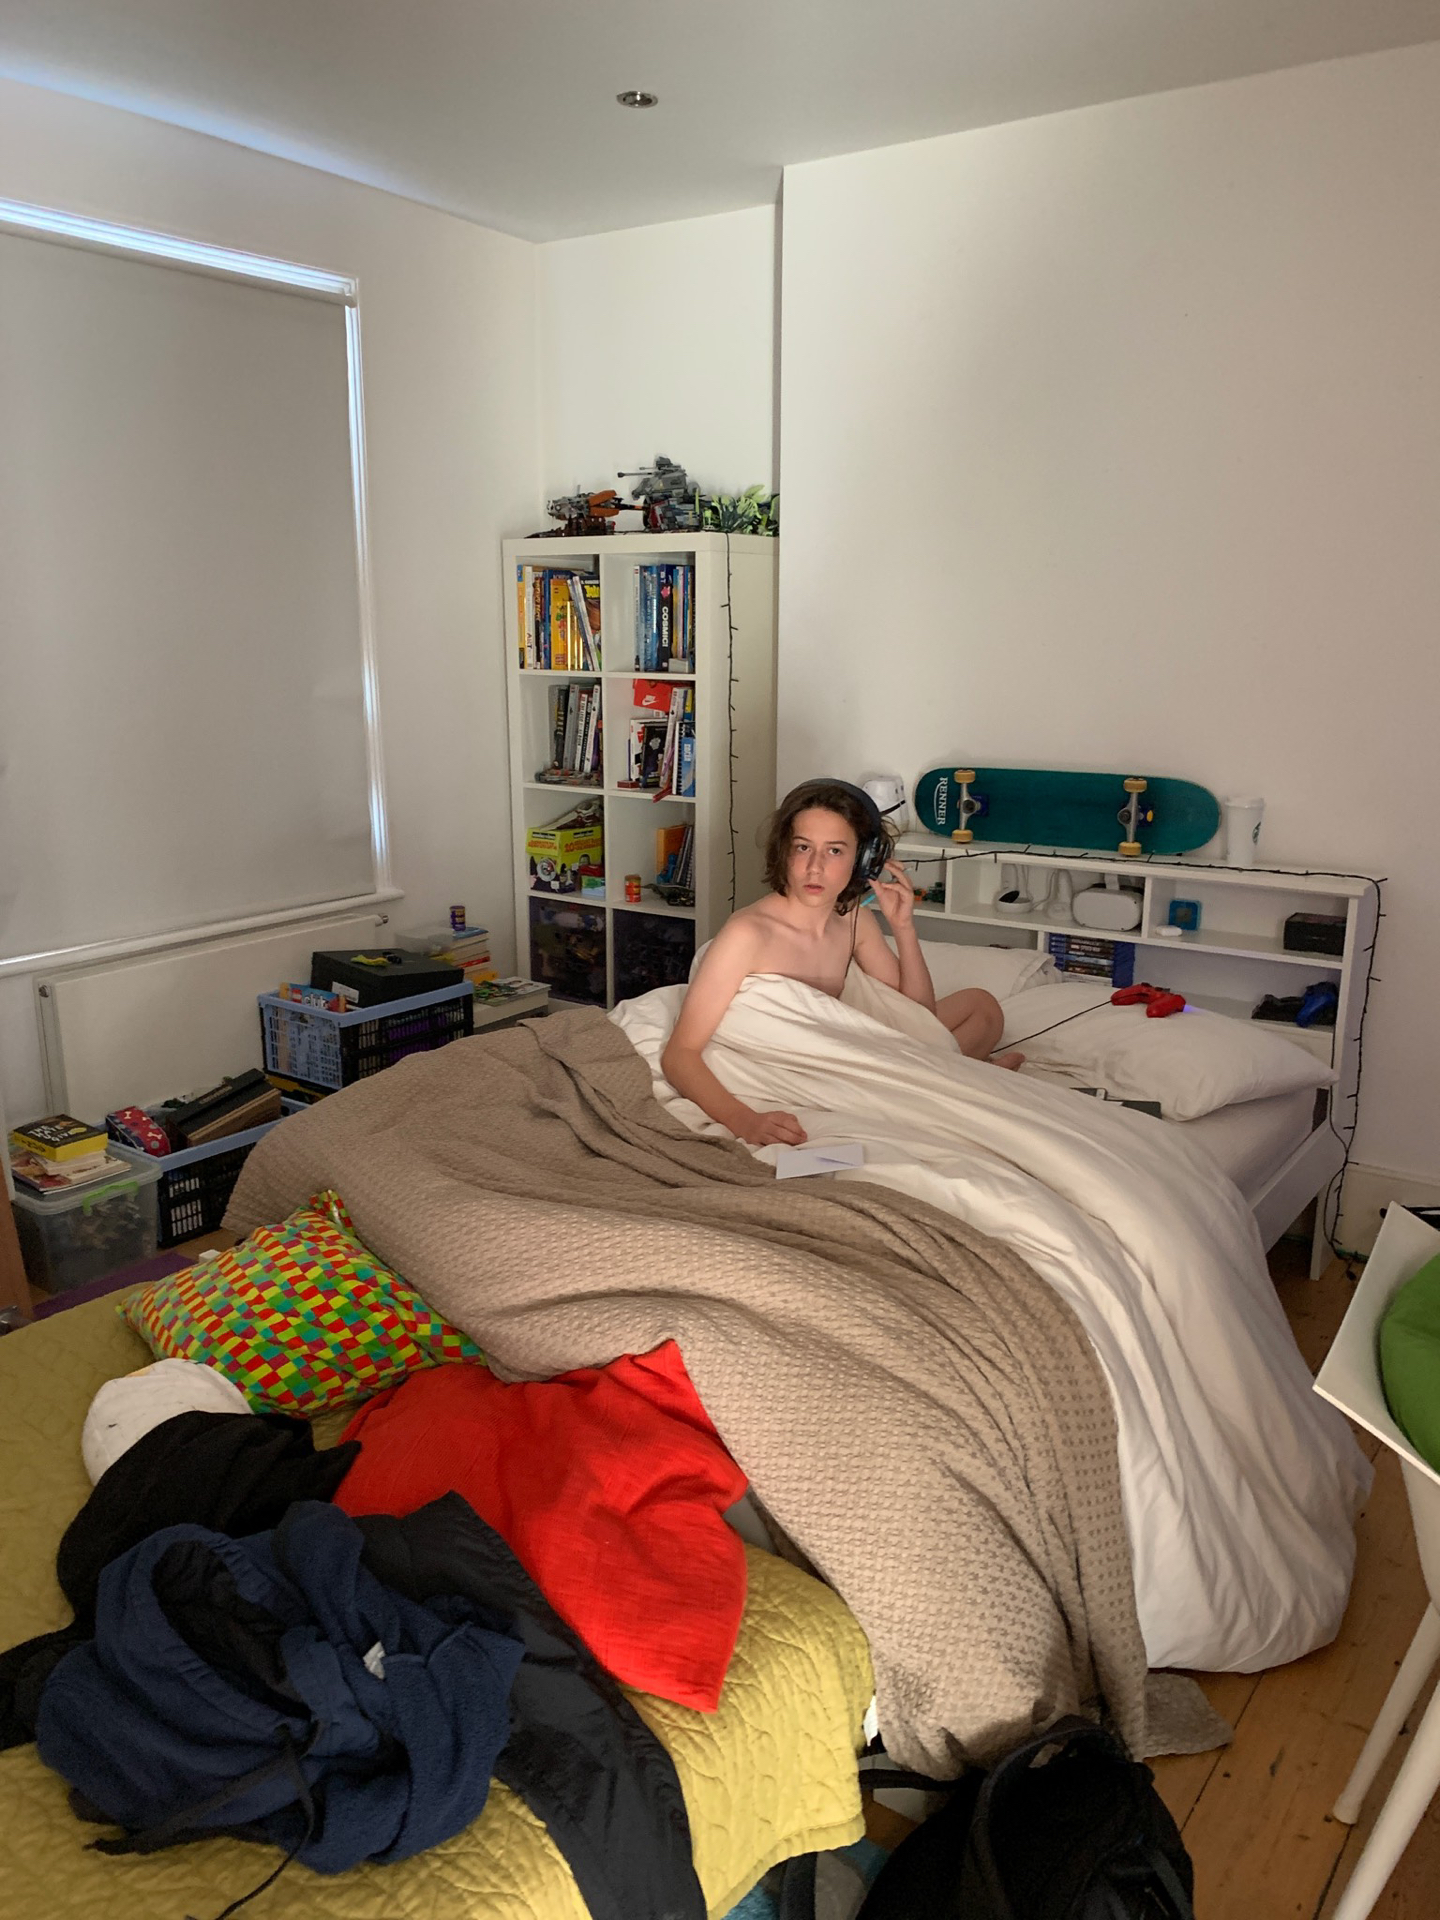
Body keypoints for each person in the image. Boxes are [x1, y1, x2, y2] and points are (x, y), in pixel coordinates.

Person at [660, 779, 1025, 1146]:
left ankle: (962, 1072)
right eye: (803, 847)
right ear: (784, 851)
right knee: (929, 1069)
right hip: (805, 1068)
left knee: (983, 1008)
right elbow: (680, 1055)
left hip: (845, 1042)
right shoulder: (747, 935)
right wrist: (744, 1121)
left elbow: (919, 1016)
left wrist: (903, 928)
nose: (814, 868)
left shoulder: (853, 919)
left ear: (863, 860)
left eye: (834, 851)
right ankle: (967, 1073)